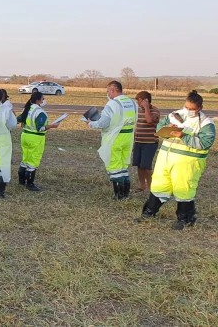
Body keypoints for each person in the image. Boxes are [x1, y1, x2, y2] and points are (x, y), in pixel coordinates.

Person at [137, 91, 215, 229]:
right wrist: (166, 130)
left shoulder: (206, 124)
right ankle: (149, 213)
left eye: (192, 109)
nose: (188, 111)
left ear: (200, 108)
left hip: (188, 164)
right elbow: (159, 128)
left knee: (184, 190)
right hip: (165, 160)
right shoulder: (174, 115)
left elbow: (205, 143)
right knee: (159, 186)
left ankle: (185, 219)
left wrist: (183, 135)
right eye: (187, 107)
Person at [86, 81, 137, 200]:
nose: (107, 93)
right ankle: (125, 193)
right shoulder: (132, 102)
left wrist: (91, 123)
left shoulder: (112, 104)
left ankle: (118, 194)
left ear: (113, 90)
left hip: (115, 137)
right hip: (128, 137)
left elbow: (104, 122)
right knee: (123, 165)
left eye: (108, 91)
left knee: (114, 165)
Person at [16, 91, 59, 191]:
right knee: (33, 160)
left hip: (25, 136)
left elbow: (18, 119)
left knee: (25, 158)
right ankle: (30, 184)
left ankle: (21, 181)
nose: (44, 101)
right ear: (38, 100)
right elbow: (40, 128)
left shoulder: (27, 108)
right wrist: (52, 126)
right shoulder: (40, 112)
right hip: (35, 138)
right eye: (43, 99)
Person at [132, 91, 160, 192]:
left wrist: (147, 107)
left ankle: (152, 186)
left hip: (150, 143)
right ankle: (142, 185)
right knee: (139, 165)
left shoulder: (155, 111)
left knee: (146, 166)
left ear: (146, 100)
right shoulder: (138, 110)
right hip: (138, 141)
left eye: (139, 101)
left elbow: (149, 120)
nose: (138, 103)